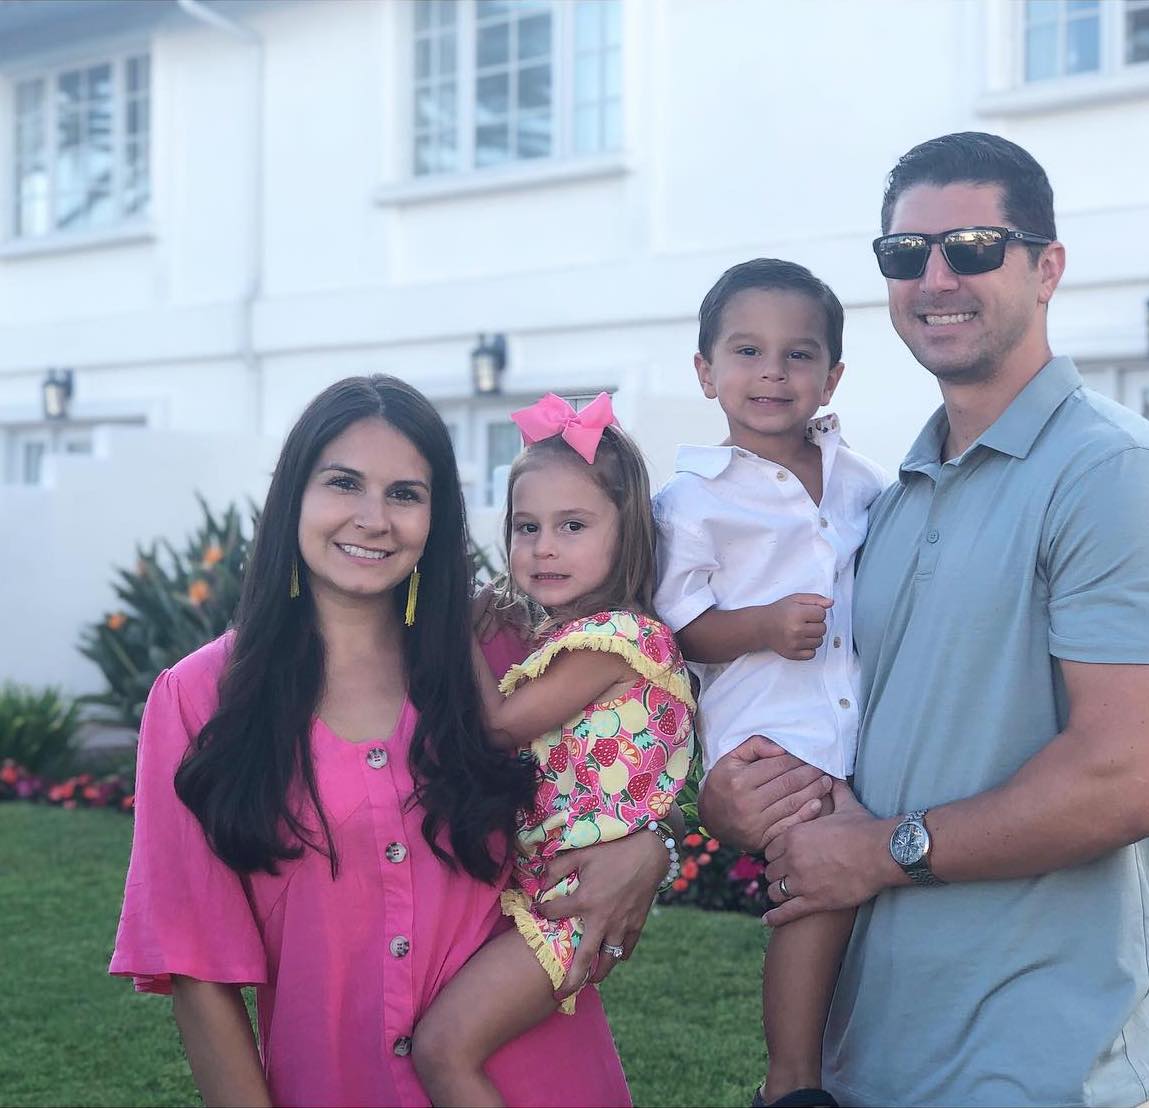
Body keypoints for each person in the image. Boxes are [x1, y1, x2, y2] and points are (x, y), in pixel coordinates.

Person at [700, 132, 1149, 1107]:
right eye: (906, 253)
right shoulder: (888, 498)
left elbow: (1131, 779)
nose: (936, 277)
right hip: (872, 1061)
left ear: (1047, 268)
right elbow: (847, 726)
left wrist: (877, 850)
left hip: (1059, 1069)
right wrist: (736, 799)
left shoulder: (1119, 477)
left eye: (974, 246)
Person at [110, 375, 664, 1107]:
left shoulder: (509, 661)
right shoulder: (200, 697)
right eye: (344, 483)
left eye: (405, 494)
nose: (373, 519)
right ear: (293, 495)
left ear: (437, 518)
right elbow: (197, 968)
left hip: (543, 1079)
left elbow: (638, 752)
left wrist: (652, 846)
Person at [410, 392, 696, 1106]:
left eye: (573, 525)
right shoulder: (567, 637)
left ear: (627, 532)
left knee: (443, 1050)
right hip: (550, 891)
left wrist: (451, 624)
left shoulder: (617, 641)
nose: (543, 547)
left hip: (570, 909)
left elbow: (500, 726)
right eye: (526, 526)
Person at [651, 259, 885, 1108]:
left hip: (859, 723)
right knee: (816, 888)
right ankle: (791, 1083)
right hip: (771, 733)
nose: (773, 373)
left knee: (863, 890)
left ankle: (844, 1062)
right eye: (747, 351)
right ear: (706, 370)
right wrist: (761, 627)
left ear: (833, 376)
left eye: (798, 354)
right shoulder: (692, 502)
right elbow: (677, 629)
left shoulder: (862, 480)